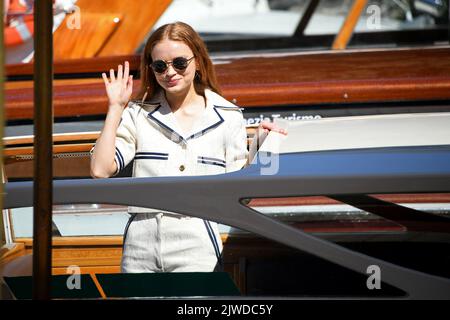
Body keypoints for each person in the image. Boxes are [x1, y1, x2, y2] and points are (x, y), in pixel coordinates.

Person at [90, 21, 286, 273]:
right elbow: (100, 170)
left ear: (198, 61)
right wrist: (115, 108)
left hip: (198, 243)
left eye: (179, 63)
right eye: (160, 66)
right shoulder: (137, 114)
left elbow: (241, 195)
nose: (170, 72)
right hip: (140, 242)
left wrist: (257, 149)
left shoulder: (228, 116)